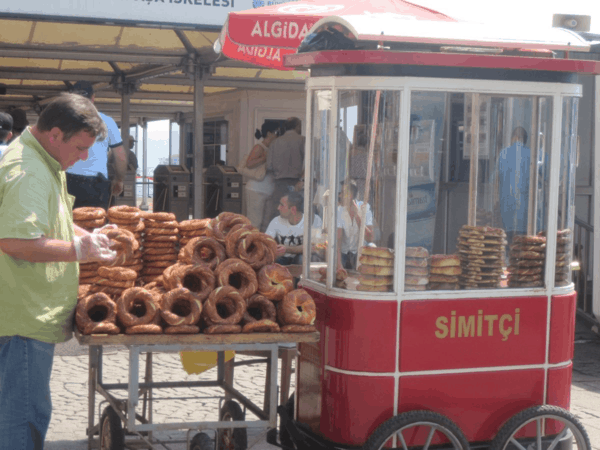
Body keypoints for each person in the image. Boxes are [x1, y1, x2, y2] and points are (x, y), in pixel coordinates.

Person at [0, 93, 118, 450]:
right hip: (23, 318)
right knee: (23, 420)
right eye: (80, 148)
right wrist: (77, 251)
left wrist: (88, 236)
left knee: (22, 412)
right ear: (55, 134)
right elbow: (14, 240)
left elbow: (55, 222)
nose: (84, 158)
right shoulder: (29, 171)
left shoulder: (44, 161)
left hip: (28, 316)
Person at [66, 80, 127, 209]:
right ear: (93, 98)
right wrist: (119, 179)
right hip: (96, 184)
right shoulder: (107, 122)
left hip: (67, 180)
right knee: (95, 224)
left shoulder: (63, 120)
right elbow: (120, 156)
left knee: (66, 224)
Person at [263, 117, 305, 228]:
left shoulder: (275, 142)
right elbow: (310, 163)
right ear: (297, 126)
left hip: (279, 182)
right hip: (297, 182)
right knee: (297, 212)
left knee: (278, 212)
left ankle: (276, 240)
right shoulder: (302, 140)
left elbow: (269, 166)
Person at [495, 126, 531, 243]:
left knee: (507, 246)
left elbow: (495, 178)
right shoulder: (532, 155)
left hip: (506, 211)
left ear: (513, 137)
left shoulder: (503, 154)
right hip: (525, 213)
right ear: (524, 140)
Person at [243, 121, 279, 230]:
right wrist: (265, 157)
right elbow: (249, 164)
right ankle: (252, 245)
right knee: (255, 223)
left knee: (266, 223)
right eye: (276, 132)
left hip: (268, 190)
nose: (277, 135)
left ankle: (263, 245)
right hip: (256, 189)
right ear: (269, 133)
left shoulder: (273, 148)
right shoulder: (260, 147)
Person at [337, 180, 374, 270]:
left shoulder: (365, 208)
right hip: (344, 254)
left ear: (350, 195)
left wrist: (357, 216)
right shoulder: (339, 210)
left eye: (342, 193)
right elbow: (338, 241)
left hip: (359, 253)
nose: (340, 196)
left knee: (372, 246)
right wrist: (339, 265)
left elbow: (369, 238)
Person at [265, 192, 306, 265]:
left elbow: (314, 248)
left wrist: (287, 249)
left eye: (282, 205)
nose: (278, 208)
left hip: (301, 260)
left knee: (303, 258)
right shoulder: (276, 221)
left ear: (293, 209)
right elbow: (266, 242)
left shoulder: (310, 221)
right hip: (282, 259)